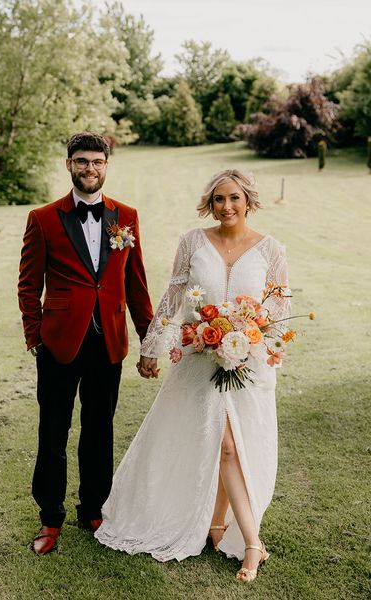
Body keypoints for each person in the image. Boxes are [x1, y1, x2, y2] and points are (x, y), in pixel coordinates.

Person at [94, 169, 291, 583]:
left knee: (233, 447)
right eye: (218, 199)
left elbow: (277, 307)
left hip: (248, 363)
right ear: (210, 203)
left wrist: (253, 336)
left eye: (234, 198)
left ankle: (228, 529)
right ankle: (249, 542)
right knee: (221, 445)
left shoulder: (272, 249)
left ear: (248, 200)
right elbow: (173, 299)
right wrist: (152, 348)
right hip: (199, 358)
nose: (227, 207)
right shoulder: (192, 242)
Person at [18, 131, 155, 556]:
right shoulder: (42, 218)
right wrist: (35, 335)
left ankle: (93, 508)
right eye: (81, 161)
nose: (89, 168)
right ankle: (50, 517)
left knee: (100, 429)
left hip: (108, 343)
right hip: (58, 343)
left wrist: (149, 338)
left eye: (97, 161)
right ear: (69, 165)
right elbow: (28, 285)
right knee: (53, 432)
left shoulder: (126, 217)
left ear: (106, 166)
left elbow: (136, 284)